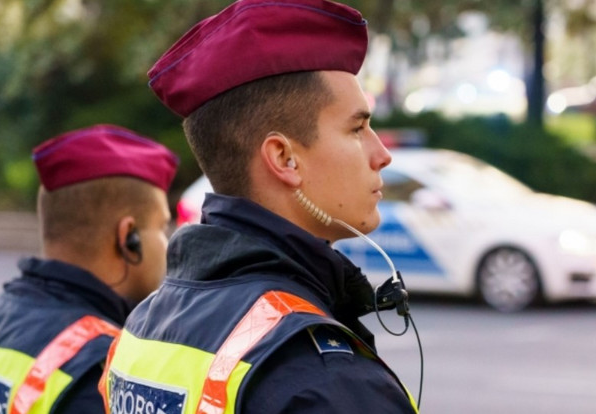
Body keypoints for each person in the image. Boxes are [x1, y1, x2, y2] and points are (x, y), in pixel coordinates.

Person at [100, 0, 418, 413]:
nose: (382, 154)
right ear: (284, 158)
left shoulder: (144, 327)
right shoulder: (325, 383)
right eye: (357, 127)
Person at [0, 124, 178, 413]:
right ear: (128, 237)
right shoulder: (102, 367)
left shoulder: (1, 315)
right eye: (162, 227)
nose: (167, 244)